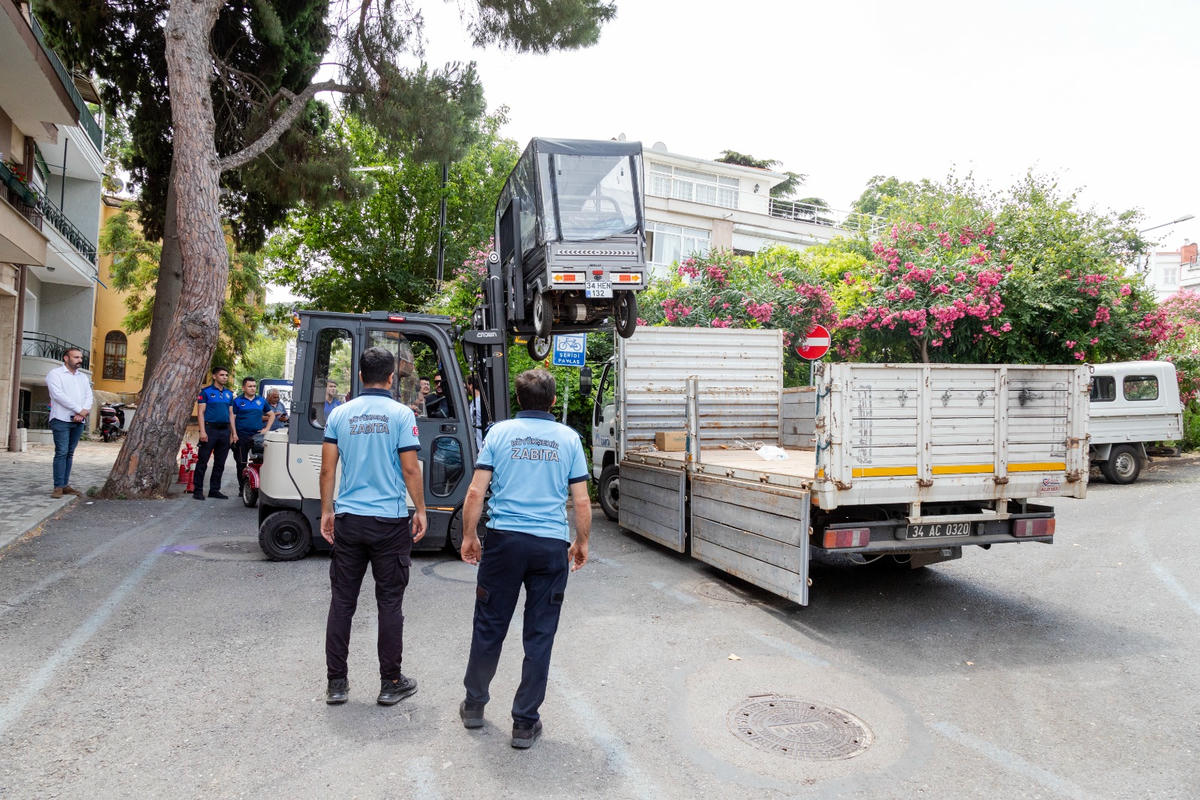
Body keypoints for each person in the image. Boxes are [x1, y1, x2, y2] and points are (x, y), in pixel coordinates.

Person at [458, 368, 591, 750]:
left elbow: (475, 492)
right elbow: (581, 499)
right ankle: (524, 722)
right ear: (553, 401)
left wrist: (469, 535)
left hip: (504, 543)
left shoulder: (499, 433)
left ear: (518, 399)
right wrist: (581, 542)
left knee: (489, 625)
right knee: (540, 633)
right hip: (549, 545)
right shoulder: (568, 439)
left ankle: (474, 705)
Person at [321, 346, 427, 707]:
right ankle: (390, 682)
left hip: (349, 520)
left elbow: (328, 469)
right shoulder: (401, 415)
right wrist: (421, 509)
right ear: (392, 378)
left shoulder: (340, 414)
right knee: (390, 603)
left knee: (342, 602)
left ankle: (337, 683)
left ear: (361, 376)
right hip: (389, 522)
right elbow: (410, 468)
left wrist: (327, 510)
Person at [45, 347, 93, 498]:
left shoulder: (82, 377)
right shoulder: (55, 374)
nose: (80, 360)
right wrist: (79, 410)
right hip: (61, 419)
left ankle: (65, 485)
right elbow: (58, 396)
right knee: (62, 452)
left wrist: (82, 412)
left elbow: (89, 396)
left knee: (70, 453)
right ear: (66, 358)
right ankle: (58, 487)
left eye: (81, 357)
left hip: (78, 420)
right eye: (76, 357)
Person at [194, 366, 237, 500]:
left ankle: (214, 490)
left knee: (220, 462)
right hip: (210, 429)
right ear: (214, 376)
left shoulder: (229, 394)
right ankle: (198, 490)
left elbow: (231, 414)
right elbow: (200, 412)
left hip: (224, 431)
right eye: (222, 375)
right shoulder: (206, 392)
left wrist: (233, 433)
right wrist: (202, 431)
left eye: (226, 375)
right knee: (203, 461)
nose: (225, 377)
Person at [232, 377, 273, 491]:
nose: (253, 388)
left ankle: (260, 487)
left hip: (257, 437)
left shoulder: (261, 400)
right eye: (250, 386)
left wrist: (266, 429)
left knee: (260, 461)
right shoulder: (237, 401)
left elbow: (272, 415)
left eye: (254, 386)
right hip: (242, 436)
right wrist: (234, 434)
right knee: (241, 463)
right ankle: (243, 488)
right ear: (243, 388)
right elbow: (232, 419)